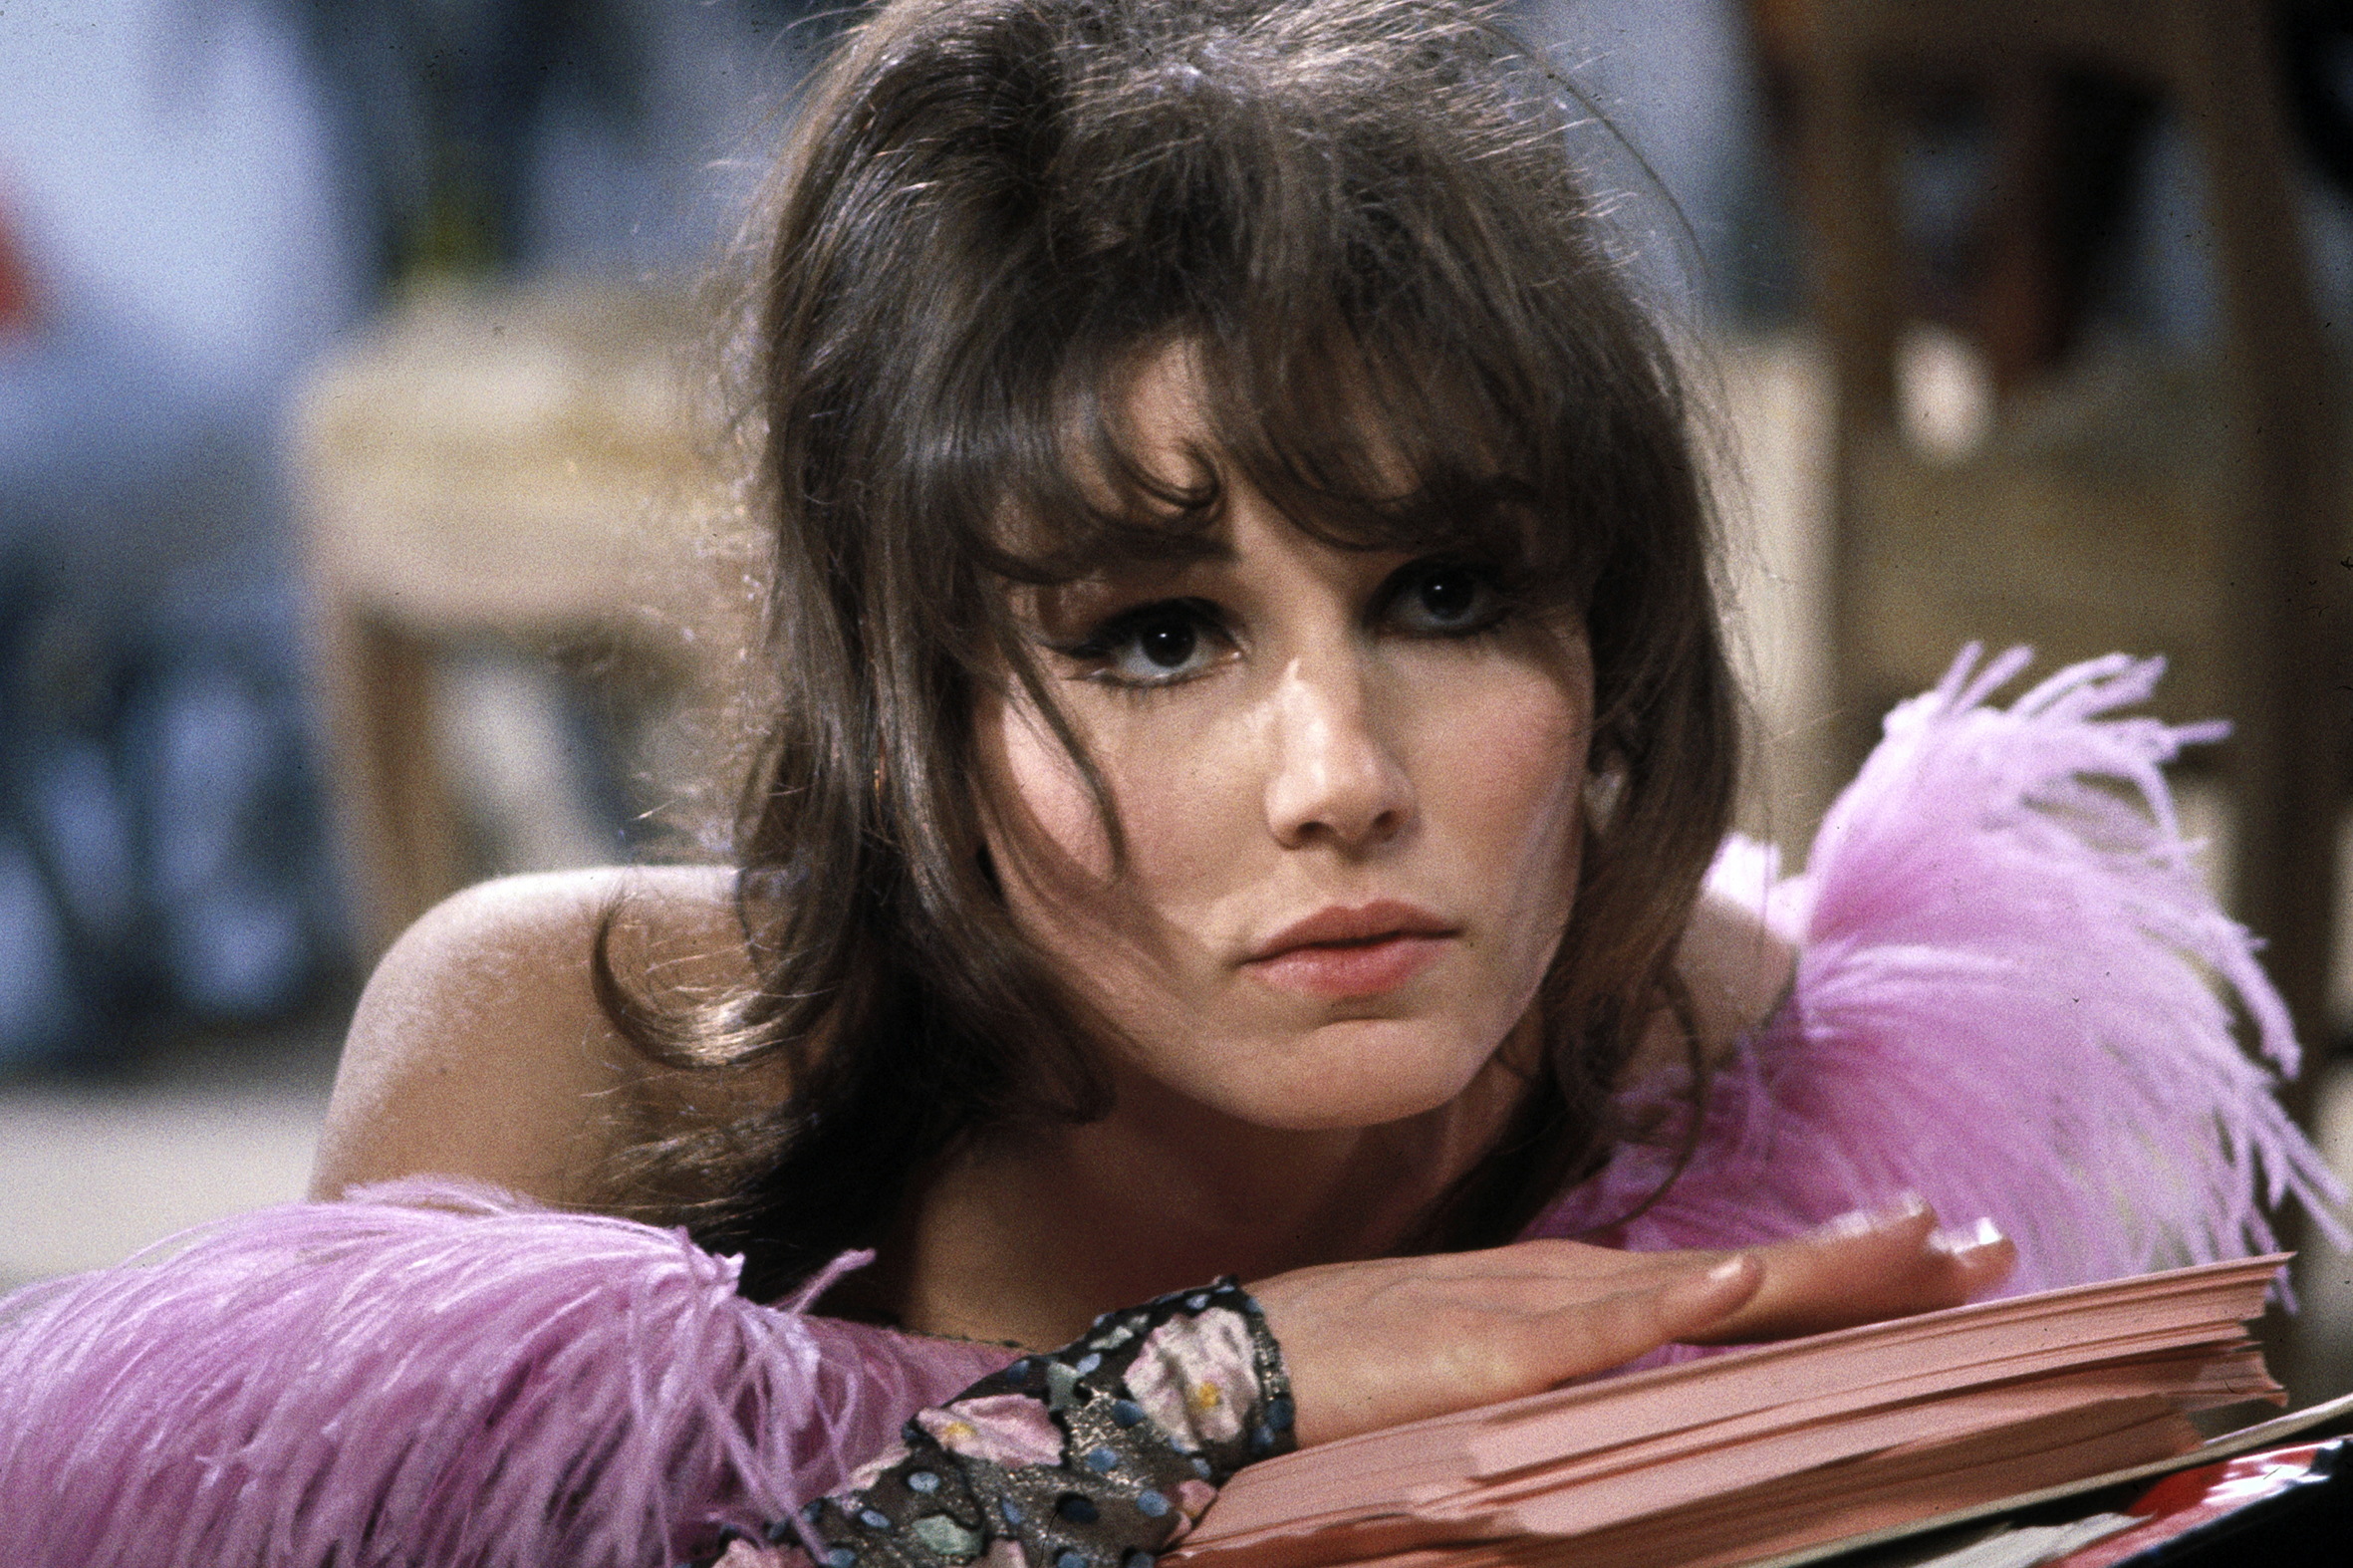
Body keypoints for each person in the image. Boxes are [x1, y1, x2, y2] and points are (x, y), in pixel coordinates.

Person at [0, 2, 2337, 1564]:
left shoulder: (1704, 1033)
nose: (1339, 777)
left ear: (1604, 656)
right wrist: (1197, 1399)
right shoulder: (580, 1051)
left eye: (1443, 597)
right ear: (913, 711)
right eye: (1153, 635)